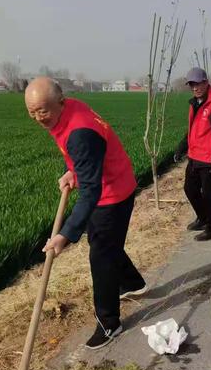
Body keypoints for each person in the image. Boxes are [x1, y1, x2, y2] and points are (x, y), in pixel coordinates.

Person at [25, 77, 147, 350]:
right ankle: (132, 282)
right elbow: (90, 157)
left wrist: (65, 235)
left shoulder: (80, 131)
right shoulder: (68, 112)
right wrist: (74, 171)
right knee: (104, 241)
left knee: (101, 252)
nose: (37, 118)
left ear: (60, 102)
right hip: (110, 180)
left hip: (112, 192)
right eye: (31, 112)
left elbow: (90, 191)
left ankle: (109, 323)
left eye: (42, 110)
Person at [174, 68, 211, 241]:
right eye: (192, 84)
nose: (195, 87)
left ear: (206, 82)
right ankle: (203, 218)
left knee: (209, 196)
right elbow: (192, 130)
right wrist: (181, 147)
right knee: (189, 189)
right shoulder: (195, 103)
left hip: (209, 159)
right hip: (194, 156)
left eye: (198, 83)